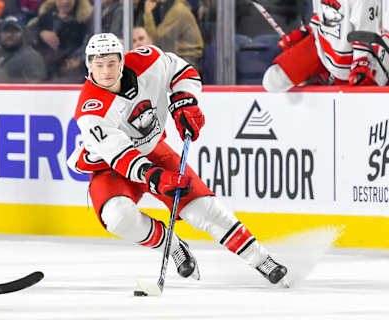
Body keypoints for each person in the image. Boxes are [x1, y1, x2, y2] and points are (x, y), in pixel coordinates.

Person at [67, 33, 289, 285]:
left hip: (153, 151)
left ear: (121, 60)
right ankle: (171, 245)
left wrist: (184, 102)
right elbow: (122, 156)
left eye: (110, 63)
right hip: (110, 167)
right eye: (98, 64)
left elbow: (182, 71)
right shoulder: (90, 110)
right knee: (118, 217)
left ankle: (262, 260)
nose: (105, 71)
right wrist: (154, 177)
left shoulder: (148, 61)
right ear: (89, 66)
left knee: (203, 211)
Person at [263, 0, 389, 92]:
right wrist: (306, 33)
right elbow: (322, 18)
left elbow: (367, 29)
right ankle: (319, 76)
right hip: (324, 48)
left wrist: (362, 62)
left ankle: (326, 77)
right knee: (273, 80)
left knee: (359, 99)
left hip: (357, 56)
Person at [139, 0, 204, 74]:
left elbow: (156, 38)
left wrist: (148, 12)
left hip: (187, 62)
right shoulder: (172, 8)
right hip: (182, 60)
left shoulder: (178, 10)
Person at [0, 16, 46, 83]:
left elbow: (34, 89)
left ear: (23, 34)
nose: (9, 35)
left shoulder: (32, 57)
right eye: (6, 31)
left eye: (15, 31)